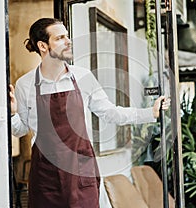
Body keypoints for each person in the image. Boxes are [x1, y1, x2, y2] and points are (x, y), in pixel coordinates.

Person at [10, 18, 170, 208]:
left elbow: (111, 113)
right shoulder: (25, 84)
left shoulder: (83, 77)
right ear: (43, 46)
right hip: (46, 179)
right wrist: (12, 115)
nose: (68, 41)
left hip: (81, 175)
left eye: (67, 36)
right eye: (60, 38)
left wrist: (150, 113)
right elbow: (21, 130)